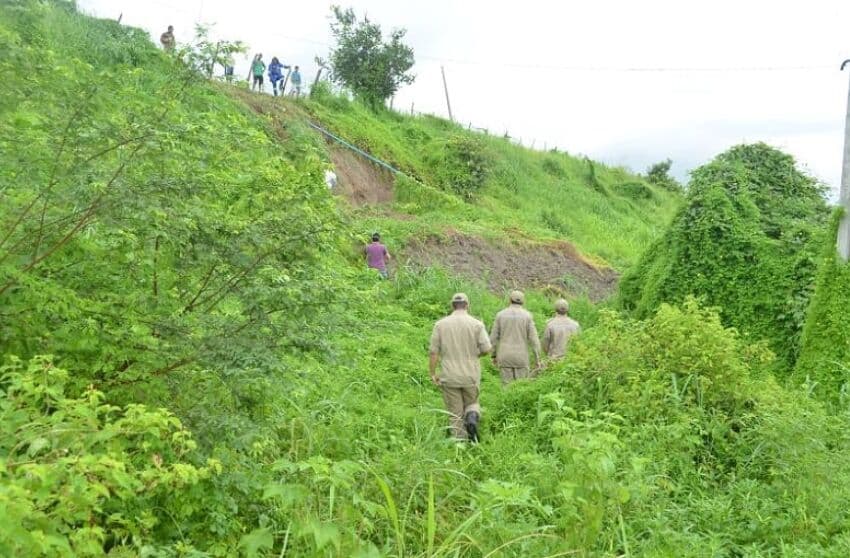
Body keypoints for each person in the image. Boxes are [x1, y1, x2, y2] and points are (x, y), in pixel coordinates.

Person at [429, 293, 491, 442]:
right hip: (470, 374)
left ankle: (460, 445)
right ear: (467, 305)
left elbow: (433, 352)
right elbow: (487, 349)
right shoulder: (477, 324)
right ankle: (471, 418)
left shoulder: (440, 325)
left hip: (449, 376)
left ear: (452, 306)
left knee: (455, 413)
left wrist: (432, 372)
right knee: (472, 403)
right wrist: (477, 355)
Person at [490, 290, 541, 385]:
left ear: (509, 300)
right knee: (521, 386)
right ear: (523, 301)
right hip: (521, 357)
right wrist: (537, 359)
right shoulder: (527, 316)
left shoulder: (500, 315)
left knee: (506, 387)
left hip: (505, 356)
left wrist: (493, 355)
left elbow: (493, 338)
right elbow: (534, 340)